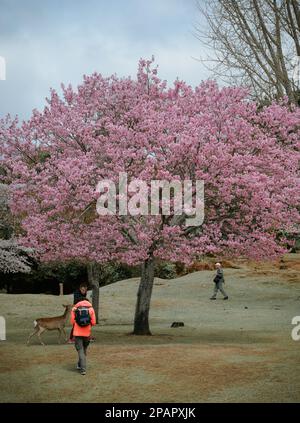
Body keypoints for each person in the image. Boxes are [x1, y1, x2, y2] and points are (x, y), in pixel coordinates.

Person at [70, 296, 96, 375]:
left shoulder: (74, 309)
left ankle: (83, 368)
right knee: (84, 349)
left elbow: (72, 322)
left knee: (80, 350)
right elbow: (94, 322)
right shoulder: (91, 309)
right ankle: (79, 364)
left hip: (77, 334)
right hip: (87, 334)